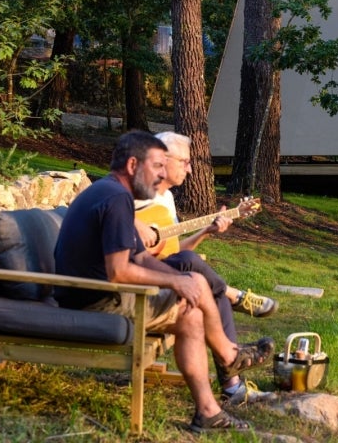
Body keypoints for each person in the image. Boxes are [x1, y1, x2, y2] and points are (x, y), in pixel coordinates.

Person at [53, 130, 274, 432]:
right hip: (96, 300)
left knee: (193, 285)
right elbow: (119, 272)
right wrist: (176, 284)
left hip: (103, 292)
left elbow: (141, 257)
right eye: (156, 167)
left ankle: (212, 403)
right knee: (189, 312)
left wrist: (183, 280)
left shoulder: (113, 192)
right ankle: (226, 363)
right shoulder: (116, 200)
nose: (160, 177)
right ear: (133, 165)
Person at [133, 131, 277, 404]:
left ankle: (233, 388)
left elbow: (175, 251)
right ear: (162, 161)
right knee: (202, 278)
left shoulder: (167, 200)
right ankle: (234, 298)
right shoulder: (134, 194)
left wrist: (207, 231)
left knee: (206, 283)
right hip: (140, 278)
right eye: (185, 161)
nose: (190, 168)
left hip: (164, 271)